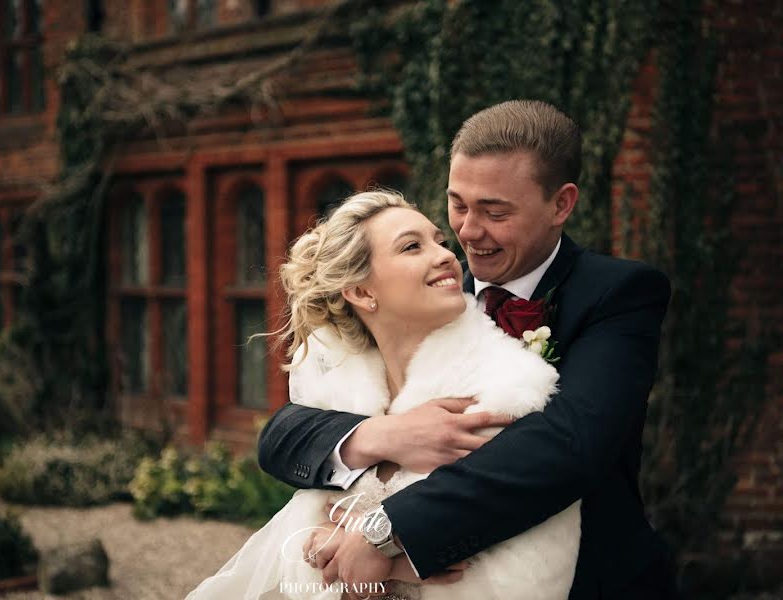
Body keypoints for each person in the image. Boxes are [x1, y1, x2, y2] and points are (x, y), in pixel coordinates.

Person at [258, 100, 677, 599]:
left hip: (590, 582)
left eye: (496, 212)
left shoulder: (619, 294)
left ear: (561, 204)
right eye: (458, 204)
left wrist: (389, 533)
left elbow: (569, 444)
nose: (467, 234)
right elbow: (283, 437)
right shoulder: (421, 288)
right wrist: (382, 435)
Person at [186, 190, 580, 600]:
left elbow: (536, 563)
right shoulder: (337, 385)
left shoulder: (505, 386)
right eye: (412, 246)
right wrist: (327, 545)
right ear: (360, 292)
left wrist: (388, 560)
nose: (447, 255)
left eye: (438, 242)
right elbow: (286, 463)